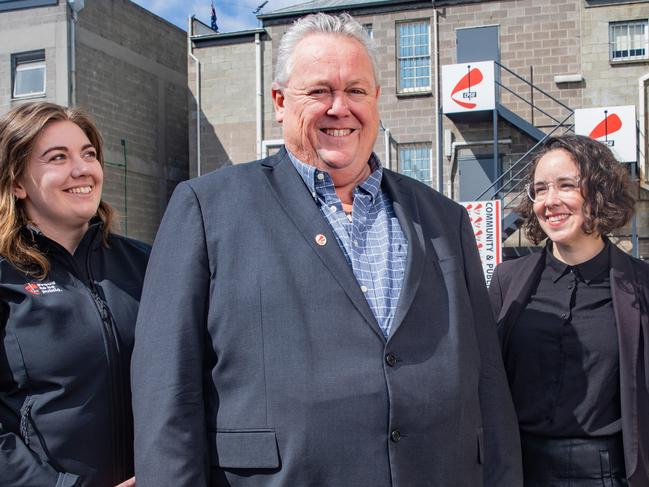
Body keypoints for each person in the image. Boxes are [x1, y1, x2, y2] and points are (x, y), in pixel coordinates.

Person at [131, 12, 522, 487]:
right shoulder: (206, 208)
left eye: (356, 91)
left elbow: (487, 382)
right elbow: (167, 389)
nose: (341, 108)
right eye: (320, 91)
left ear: (376, 99)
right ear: (279, 100)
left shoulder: (444, 218)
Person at [0, 102, 149, 487]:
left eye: (89, 154)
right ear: (17, 183)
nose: (82, 169)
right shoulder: (4, 277)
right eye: (57, 158)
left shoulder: (149, 264)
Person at [489, 134, 649, 486]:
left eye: (566, 186)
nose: (550, 201)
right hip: (518, 473)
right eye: (540, 189)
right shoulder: (507, 281)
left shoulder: (641, 284)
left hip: (607, 475)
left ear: (600, 191)